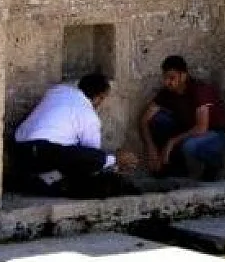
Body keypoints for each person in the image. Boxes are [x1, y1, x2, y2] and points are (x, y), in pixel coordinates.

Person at [10, 73, 138, 198]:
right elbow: (91, 157)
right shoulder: (89, 116)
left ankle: (42, 180)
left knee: (71, 156)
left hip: (18, 150)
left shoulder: (58, 91)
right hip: (44, 152)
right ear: (100, 97)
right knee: (92, 161)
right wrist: (115, 161)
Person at [138, 55, 225, 183]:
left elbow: (201, 128)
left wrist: (171, 143)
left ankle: (214, 163)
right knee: (159, 120)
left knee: (190, 145)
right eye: (165, 78)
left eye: (172, 78)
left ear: (183, 76)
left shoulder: (199, 90)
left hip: (215, 135)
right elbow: (144, 120)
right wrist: (151, 148)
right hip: (189, 131)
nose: (167, 82)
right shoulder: (167, 93)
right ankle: (177, 169)